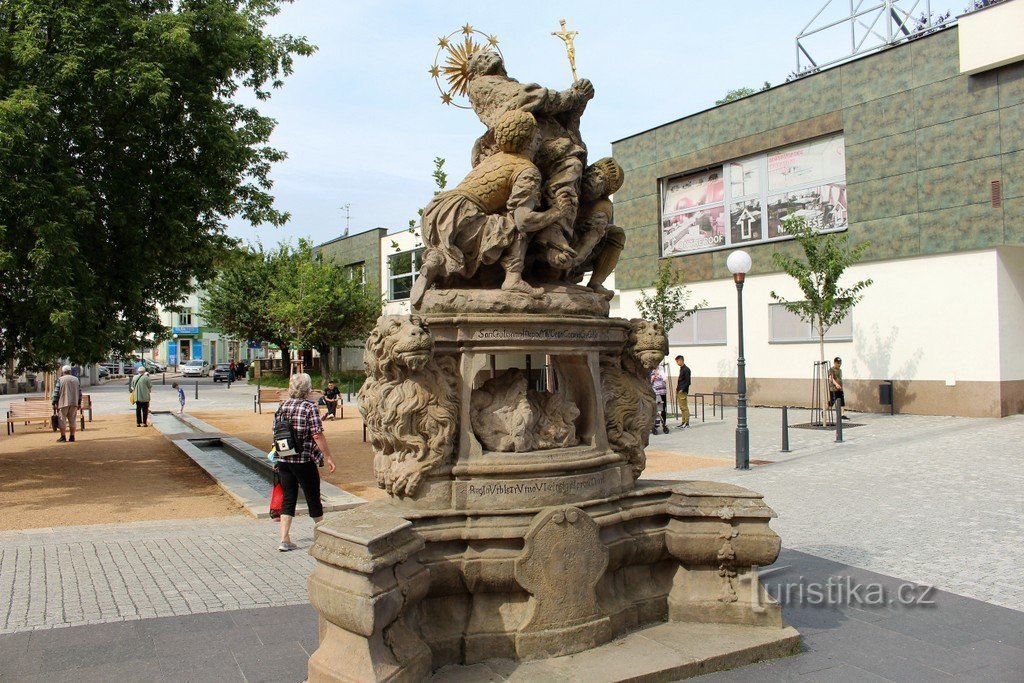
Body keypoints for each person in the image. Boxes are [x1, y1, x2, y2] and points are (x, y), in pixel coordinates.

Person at [410, 110, 568, 307]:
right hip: (463, 215)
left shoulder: (495, 158)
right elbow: (524, 220)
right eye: (537, 132)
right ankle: (513, 278)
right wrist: (556, 212)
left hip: (437, 214)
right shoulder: (526, 169)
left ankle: (435, 260)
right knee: (516, 223)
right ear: (531, 139)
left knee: (459, 241)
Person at [274, 372, 337, 552]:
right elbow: (316, 434)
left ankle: (284, 539)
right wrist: (328, 456)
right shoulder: (309, 407)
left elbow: (276, 432)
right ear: (307, 389)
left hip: (284, 458)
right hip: (303, 459)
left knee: (289, 497)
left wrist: (276, 456)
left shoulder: (282, 406)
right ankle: (322, 536)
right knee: (312, 497)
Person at [51, 365, 82, 443]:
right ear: (70, 371)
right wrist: (79, 402)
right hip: (74, 402)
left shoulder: (60, 380)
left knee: (62, 420)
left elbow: (56, 392)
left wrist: (54, 402)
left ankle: (63, 437)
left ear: (63, 372)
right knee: (72, 420)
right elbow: (79, 392)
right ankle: (72, 437)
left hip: (63, 402)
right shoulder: (76, 380)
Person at [828, 356, 848, 422]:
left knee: (842, 402)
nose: (839, 364)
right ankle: (824, 411)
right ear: (834, 363)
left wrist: (840, 386)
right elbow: (831, 378)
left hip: (840, 389)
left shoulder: (840, 370)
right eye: (837, 363)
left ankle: (842, 415)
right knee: (831, 403)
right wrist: (836, 384)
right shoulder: (831, 369)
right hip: (833, 389)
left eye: (840, 363)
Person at [650, 367, 668, 435]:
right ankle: (655, 424)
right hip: (656, 392)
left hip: (663, 391)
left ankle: (664, 423)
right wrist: (653, 377)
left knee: (663, 408)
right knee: (657, 409)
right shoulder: (650, 370)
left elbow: (664, 378)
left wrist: (660, 375)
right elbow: (649, 381)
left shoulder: (661, 368)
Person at [675, 355, 691, 429]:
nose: (677, 363)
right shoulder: (681, 369)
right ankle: (683, 422)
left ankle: (687, 423)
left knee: (684, 407)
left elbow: (688, 382)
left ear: (681, 360)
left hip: (682, 391)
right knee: (681, 407)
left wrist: (682, 389)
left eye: (677, 361)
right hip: (679, 390)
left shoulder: (686, 369)